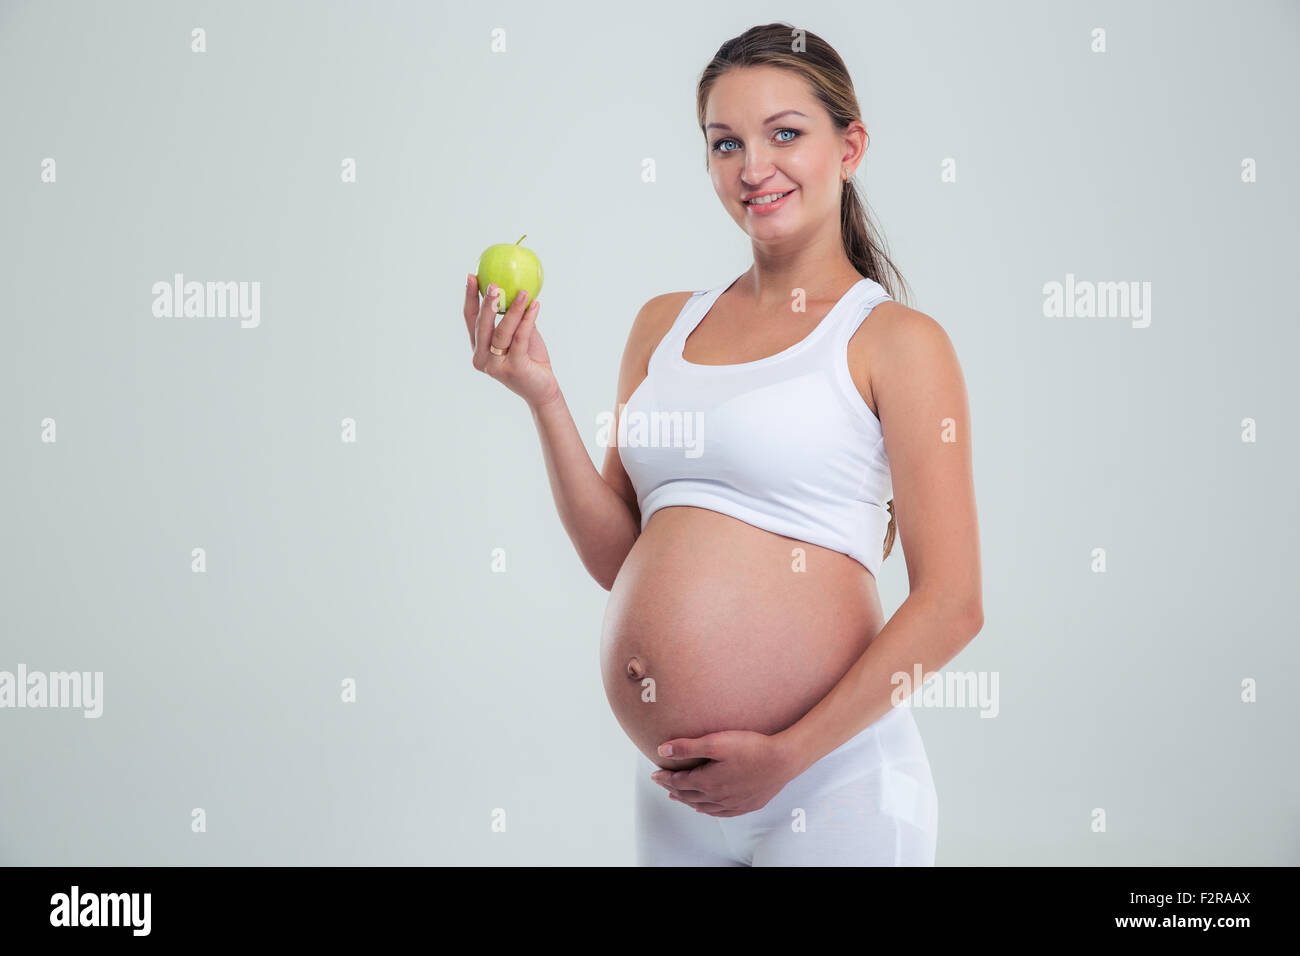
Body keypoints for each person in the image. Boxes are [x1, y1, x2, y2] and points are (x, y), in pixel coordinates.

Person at [462, 22, 982, 866]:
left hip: (834, 784)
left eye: (786, 134)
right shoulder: (662, 325)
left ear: (849, 147)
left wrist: (788, 756)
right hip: (680, 797)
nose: (753, 167)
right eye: (725, 143)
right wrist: (543, 396)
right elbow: (619, 559)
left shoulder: (896, 342)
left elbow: (953, 603)